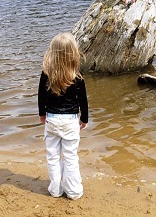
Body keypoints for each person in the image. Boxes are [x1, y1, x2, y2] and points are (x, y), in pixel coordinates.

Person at [38, 32, 89, 200]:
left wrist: (42, 114)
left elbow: (40, 95)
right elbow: (83, 101)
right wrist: (84, 118)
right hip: (70, 121)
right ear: (73, 53)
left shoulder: (47, 73)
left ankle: (55, 190)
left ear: (52, 52)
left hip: (52, 119)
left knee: (52, 156)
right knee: (71, 157)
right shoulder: (77, 76)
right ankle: (73, 191)